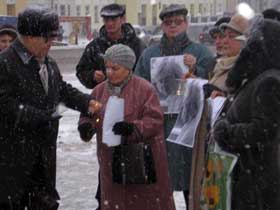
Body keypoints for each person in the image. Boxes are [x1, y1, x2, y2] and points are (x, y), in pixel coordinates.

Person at [0, 5, 98, 210]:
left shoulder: (48, 62)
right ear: (29, 37)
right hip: (13, 163)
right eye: (47, 38)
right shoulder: (5, 63)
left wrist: (86, 102)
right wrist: (39, 116)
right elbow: (4, 104)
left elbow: (61, 89)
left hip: (43, 162)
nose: (51, 43)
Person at [77, 44, 176, 210]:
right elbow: (88, 114)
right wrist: (86, 126)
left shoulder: (144, 89)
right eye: (107, 67)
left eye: (115, 68)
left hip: (142, 159)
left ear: (128, 68)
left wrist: (133, 129)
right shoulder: (99, 91)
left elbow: (155, 120)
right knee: (115, 200)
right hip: (110, 160)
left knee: (144, 202)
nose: (109, 72)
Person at [135, 4, 213, 209]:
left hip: (190, 128)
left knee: (193, 184)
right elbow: (138, 84)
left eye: (178, 22)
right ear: (162, 26)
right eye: (168, 23)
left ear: (186, 24)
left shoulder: (200, 52)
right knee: (161, 184)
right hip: (159, 126)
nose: (173, 26)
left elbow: (213, 86)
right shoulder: (150, 54)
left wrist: (197, 68)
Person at [213, 18, 280, 210]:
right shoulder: (258, 78)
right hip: (250, 174)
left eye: (252, 44)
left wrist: (227, 132)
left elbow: (265, 131)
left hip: (257, 180)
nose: (247, 50)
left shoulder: (269, 82)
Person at [188, 13, 249, 210]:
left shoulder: (245, 68)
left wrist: (221, 96)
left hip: (227, 151)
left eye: (230, 36)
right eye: (221, 36)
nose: (222, 41)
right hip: (211, 144)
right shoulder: (220, 65)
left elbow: (242, 105)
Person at [76, 3, 146, 89]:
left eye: (113, 19)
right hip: (104, 98)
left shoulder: (136, 44)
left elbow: (146, 71)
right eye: (106, 20)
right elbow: (81, 71)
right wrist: (92, 76)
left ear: (122, 19)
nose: (110, 23)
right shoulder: (95, 46)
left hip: (134, 97)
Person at [204, 13, 249, 99]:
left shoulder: (245, 70)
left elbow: (244, 101)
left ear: (245, 41)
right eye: (225, 36)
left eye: (231, 36)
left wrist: (225, 98)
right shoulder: (220, 65)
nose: (224, 41)